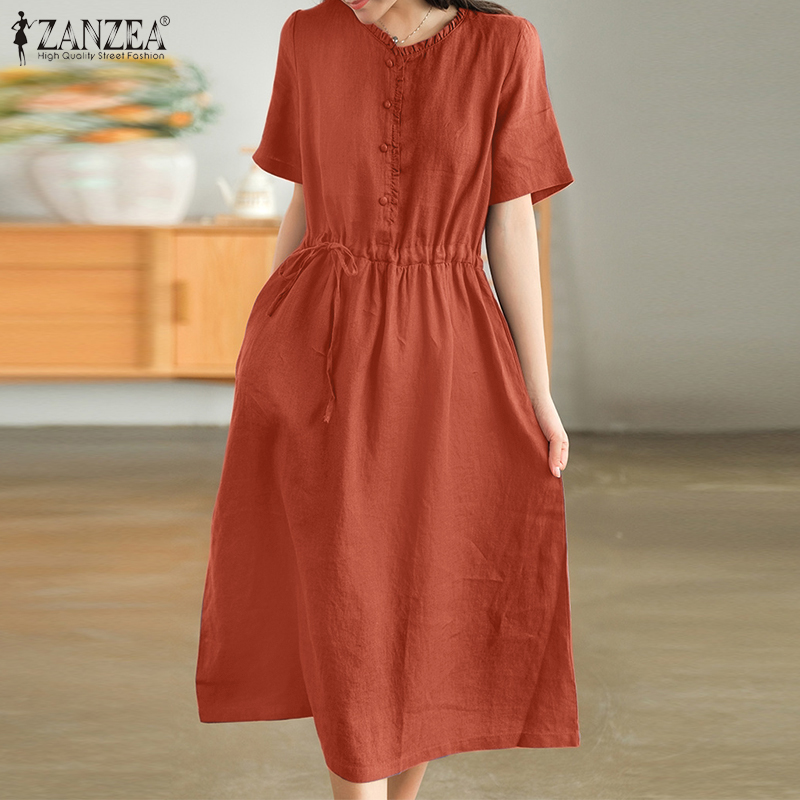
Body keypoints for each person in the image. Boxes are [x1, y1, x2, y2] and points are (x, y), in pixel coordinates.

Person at [195, 1, 580, 798]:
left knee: (426, 579)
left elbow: (511, 223)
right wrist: (263, 337)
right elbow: (303, 203)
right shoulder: (309, 35)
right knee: (348, 587)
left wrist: (538, 389)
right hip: (320, 340)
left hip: (451, 347)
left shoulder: (507, 45)